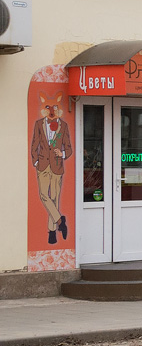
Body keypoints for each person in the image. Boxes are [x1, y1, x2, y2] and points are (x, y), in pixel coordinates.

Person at [31, 92, 73, 246]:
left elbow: (69, 148)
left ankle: (52, 232)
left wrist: (62, 154)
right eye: (48, 107)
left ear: (58, 108)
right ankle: (60, 220)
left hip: (57, 165)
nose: (51, 110)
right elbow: (34, 144)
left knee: (54, 198)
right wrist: (35, 161)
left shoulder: (64, 126)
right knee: (43, 195)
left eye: (55, 107)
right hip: (42, 165)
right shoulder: (38, 124)